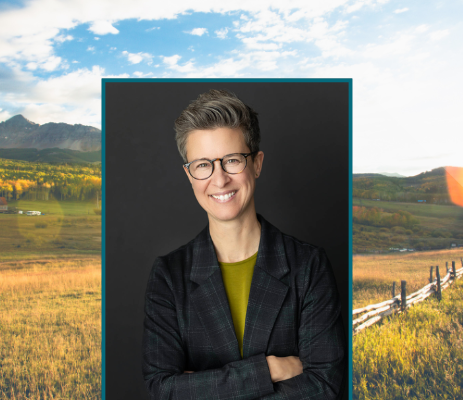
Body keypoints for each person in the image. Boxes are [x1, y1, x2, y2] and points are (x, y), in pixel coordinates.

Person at [142, 89, 345, 399]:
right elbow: (162, 390)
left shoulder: (308, 266)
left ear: (257, 164)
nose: (219, 179)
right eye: (202, 165)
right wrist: (268, 371)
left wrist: (201, 388)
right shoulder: (169, 276)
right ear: (189, 175)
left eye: (232, 160)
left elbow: (324, 388)